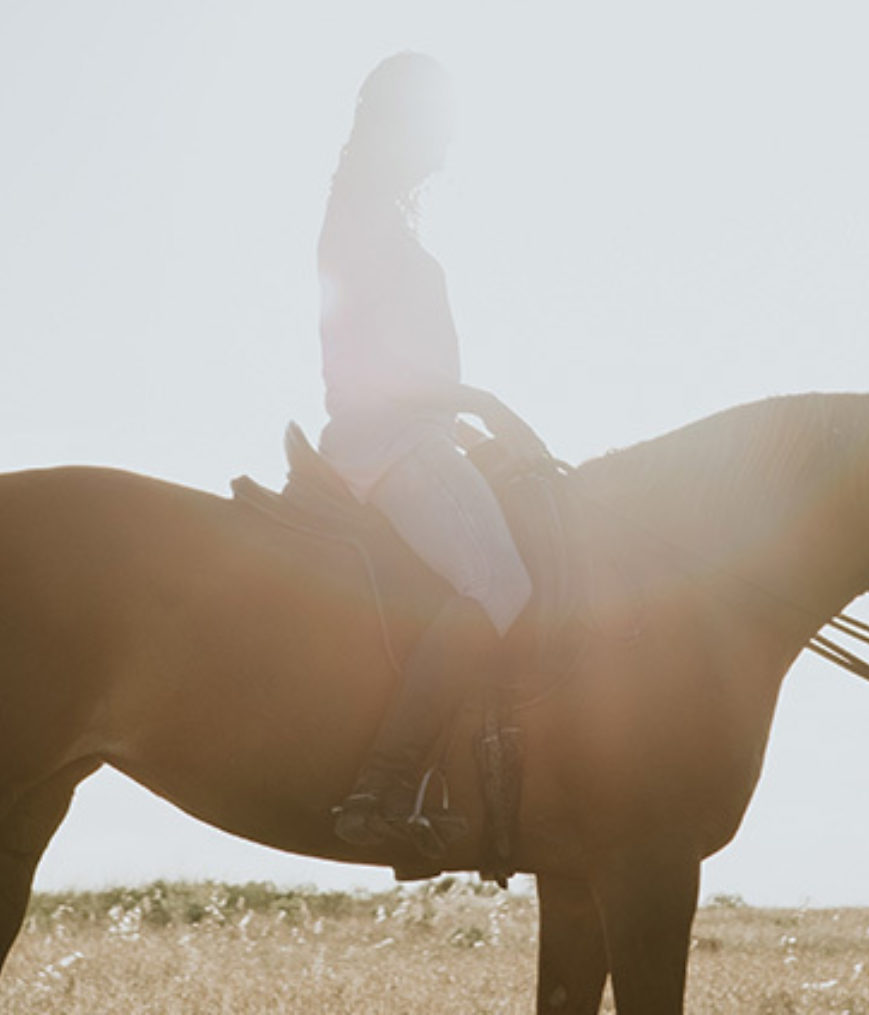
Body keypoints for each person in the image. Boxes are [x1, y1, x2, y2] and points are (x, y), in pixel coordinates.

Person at [319, 53, 543, 849]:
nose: (447, 145)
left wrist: (474, 431)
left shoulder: (376, 217)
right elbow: (369, 372)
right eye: (437, 125)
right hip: (388, 443)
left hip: (420, 434)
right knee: (501, 583)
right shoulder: (364, 223)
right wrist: (478, 402)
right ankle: (376, 794)